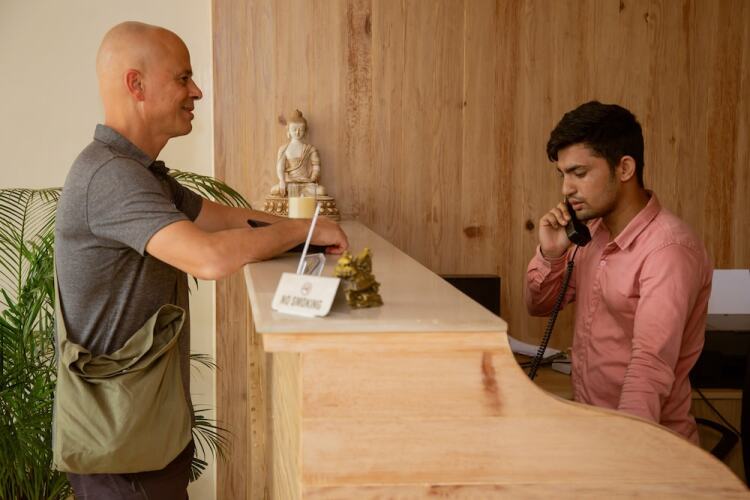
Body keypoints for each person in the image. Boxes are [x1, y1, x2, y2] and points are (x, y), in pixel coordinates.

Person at [53, 21, 348, 498]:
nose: (197, 91)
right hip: (123, 455)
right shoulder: (110, 176)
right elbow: (208, 258)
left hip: (144, 440)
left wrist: (310, 233)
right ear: (136, 85)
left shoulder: (139, 173)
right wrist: (305, 230)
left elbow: (222, 219)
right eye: (183, 78)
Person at [525, 101, 711, 444]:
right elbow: (539, 305)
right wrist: (551, 255)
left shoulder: (668, 250)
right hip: (594, 431)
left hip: (645, 446)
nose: (566, 189)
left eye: (579, 173)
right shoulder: (591, 234)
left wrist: (624, 454)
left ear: (624, 168)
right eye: (563, 175)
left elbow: (649, 368)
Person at [270, 109, 327, 197]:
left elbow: (316, 167)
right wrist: (282, 181)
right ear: (288, 130)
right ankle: (300, 195)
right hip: (290, 183)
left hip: (306, 184)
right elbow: (280, 168)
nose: (297, 132)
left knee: (322, 190)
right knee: (274, 190)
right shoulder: (284, 149)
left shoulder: (310, 149)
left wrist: (312, 179)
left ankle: (299, 194)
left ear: (305, 131)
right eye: (294, 129)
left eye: (301, 129)